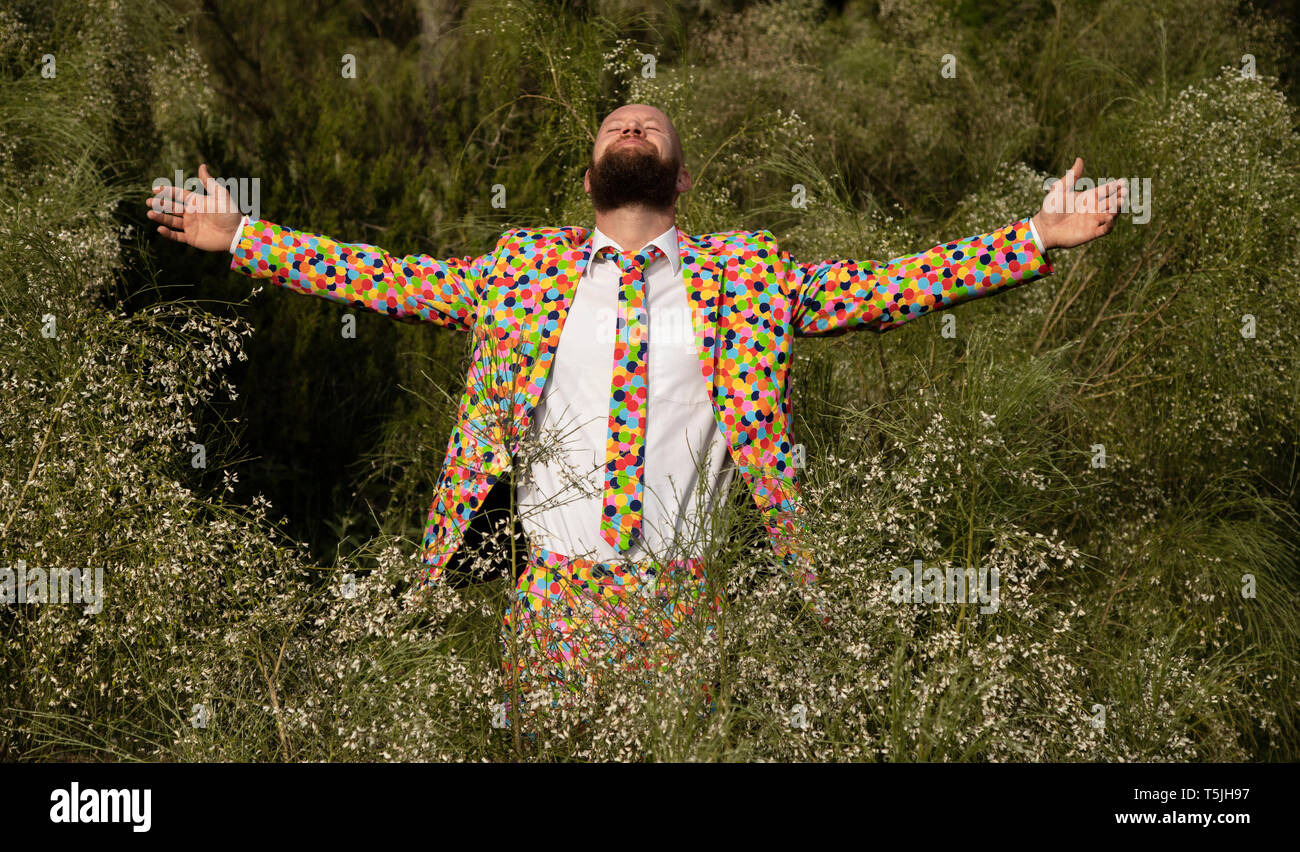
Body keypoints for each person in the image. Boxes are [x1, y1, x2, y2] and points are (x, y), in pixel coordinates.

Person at [145, 103, 1125, 725]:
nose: (630, 128)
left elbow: (888, 285)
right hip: (551, 596)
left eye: (649, 126)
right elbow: (388, 277)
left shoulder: (749, 277)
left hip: (685, 594)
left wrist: (1032, 236)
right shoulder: (519, 270)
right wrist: (245, 236)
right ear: (587, 178)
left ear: (679, 176)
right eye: (615, 124)